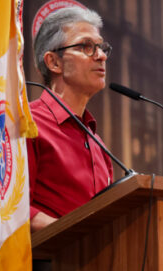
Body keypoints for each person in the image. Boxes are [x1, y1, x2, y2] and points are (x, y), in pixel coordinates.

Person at [27, 6, 113, 232]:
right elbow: (13, 208)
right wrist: (76, 237)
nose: (101, 55)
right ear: (54, 62)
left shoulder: (98, 144)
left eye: (101, 47)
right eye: (86, 46)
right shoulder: (27, 124)